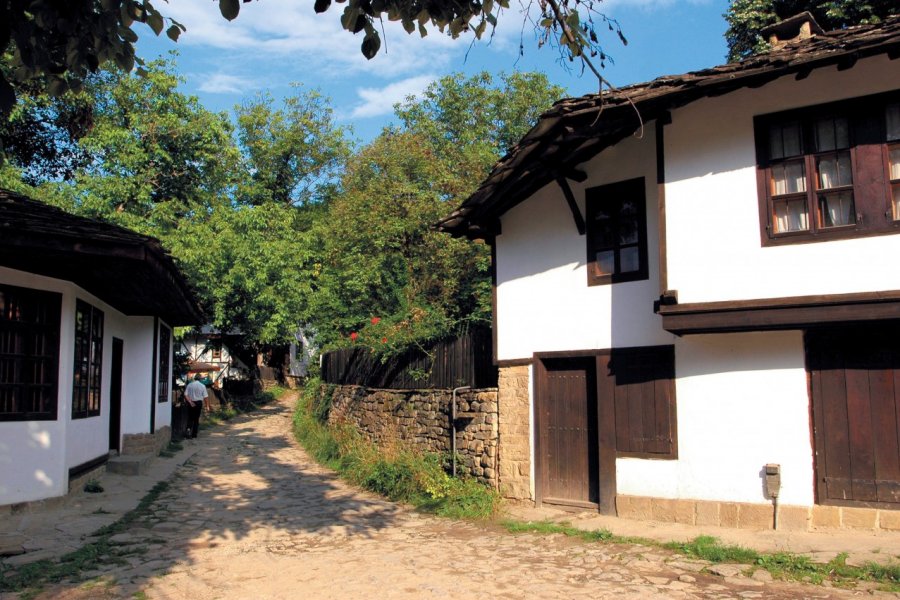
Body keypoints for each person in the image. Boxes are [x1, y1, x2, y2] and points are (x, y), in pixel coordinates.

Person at [184, 374, 208, 439]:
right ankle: (194, 434)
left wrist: (190, 402)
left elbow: (185, 395)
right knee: (196, 419)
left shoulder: (189, 385)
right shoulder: (202, 386)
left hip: (191, 403)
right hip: (198, 403)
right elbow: (205, 397)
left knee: (190, 418)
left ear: (194, 378)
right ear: (200, 379)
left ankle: (188, 431)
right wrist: (207, 406)